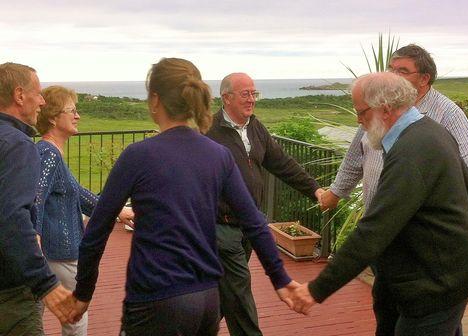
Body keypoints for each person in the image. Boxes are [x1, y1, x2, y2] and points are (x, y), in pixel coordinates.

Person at [68, 58, 298, 336]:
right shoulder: (218, 155)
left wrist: (83, 293)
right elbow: (255, 223)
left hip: (154, 300)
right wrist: (281, 279)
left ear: (155, 100)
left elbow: (97, 230)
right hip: (206, 300)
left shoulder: (138, 156)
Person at [291, 72, 468, 335]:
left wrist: (316, 289)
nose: (359, 121)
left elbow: (374, 231)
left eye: (361, 112)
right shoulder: (429, 130)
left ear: (385, 109)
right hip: (429, 275)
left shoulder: (411, 152)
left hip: (435, 286)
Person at [205, 72, 323, 336]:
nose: (251, 99)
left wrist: (314, 189)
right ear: (226, 98)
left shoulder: (254, 128)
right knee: (239, 292)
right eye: (245, 93)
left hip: (248, 226)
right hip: (220, 227)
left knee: (225, 292)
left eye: (254, 93)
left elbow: (282, 163)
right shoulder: (209, 131)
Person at [33, 85, 134, 335]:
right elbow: (35, 198)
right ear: (54, 117)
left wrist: (119, 211)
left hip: (57, 252)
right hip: (59, 253)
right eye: (72, 111)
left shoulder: (52, 153)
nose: (78, 116)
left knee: (42, 314)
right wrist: (34, 241)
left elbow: (78, 193)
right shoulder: (48, 154)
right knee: (74, 316)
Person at [0, 62, 73, 335]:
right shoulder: (17, 146)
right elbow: (12, 217)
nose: (42, 101)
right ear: (20, 95)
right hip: (10, 293)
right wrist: (45, 284)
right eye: (38, 93)